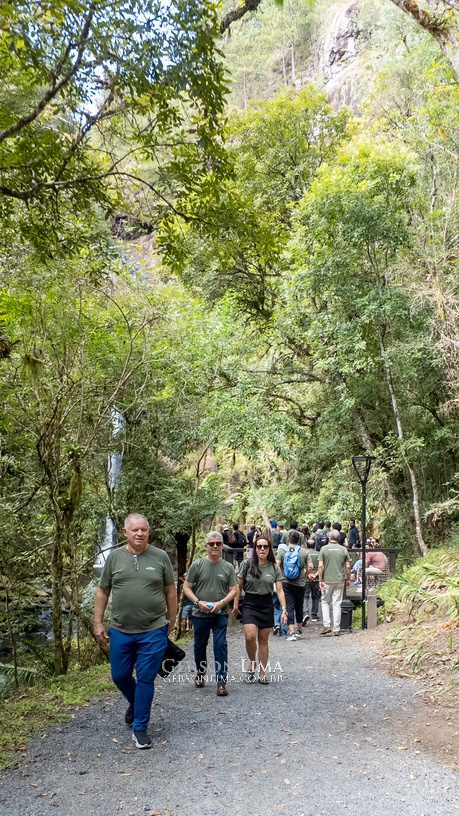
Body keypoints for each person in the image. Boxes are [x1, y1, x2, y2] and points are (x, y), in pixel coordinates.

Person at [93, 513, 177, 749]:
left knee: (146, 679)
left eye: (144, 530)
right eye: (135, 530)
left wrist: (172, 619)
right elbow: (103, 591)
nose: (140, 534)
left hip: (153, 630)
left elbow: (170, 589)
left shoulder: (160, 557)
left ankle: (140, 728)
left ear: (148, 531)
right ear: (125, 533)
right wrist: (97, 622)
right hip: (120, 629)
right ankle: (136, 702)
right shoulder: (114, 558)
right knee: (119, 676)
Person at [183, 531, 237, 696]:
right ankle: (200, 673)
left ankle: (221, 682)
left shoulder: (227, 567)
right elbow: (186, 587)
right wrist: (197, 602)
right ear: (206, 546)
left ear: (222, 546)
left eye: (218, 544)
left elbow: (234, 590)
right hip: (200, 614)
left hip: (220, 613)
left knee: (220, 646)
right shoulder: (197, 565)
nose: (215, 546)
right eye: (212, 543)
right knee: (199, 646)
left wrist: (221, 603)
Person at [233, 534, 287, 683]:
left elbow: (280, 590)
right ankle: (252, 662)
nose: (262, 549)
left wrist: (284, 609)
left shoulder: (274, 567)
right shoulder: (246, 565)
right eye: (259, 546)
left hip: (266, 603)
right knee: (250, 636)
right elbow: (238, 587)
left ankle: (262, 673)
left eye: (265, 546)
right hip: (250, 603)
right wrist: (235, 606)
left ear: (269, 549)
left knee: (263, 640)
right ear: (255, 549)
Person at [276, 530, 309, 641]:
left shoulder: (281, 551)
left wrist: (279, 576)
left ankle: (291, 632)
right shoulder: (303, 551)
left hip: (286, 582)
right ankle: (299, 629)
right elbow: (310, 566)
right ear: (299, 540)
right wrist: (305, 575)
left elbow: (277, 565)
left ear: (288, 539)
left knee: (289, 606)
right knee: (299, 606)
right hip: (300, 583)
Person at [318, 529, 351, 636]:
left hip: (327, 579)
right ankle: (336, 628)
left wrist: (320, 579)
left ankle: (327, 625)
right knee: (337, 603)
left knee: (325, 601)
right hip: (340, 579)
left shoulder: (324, 549)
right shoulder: (343, 549)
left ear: (329, 538)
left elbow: (320, 566)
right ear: (338, 538)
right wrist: (348, 579)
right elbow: (348, 566)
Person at [304, 538, 321, 622]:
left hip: (306, 579)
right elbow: (321, 566)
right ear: (315, 546)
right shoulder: (319, 554)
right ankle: (314, 615)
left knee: (305, 597)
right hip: (316, 579)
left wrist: (308, 575)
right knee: (315, 597)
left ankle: (305, 613)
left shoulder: (304, 553)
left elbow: (302, 566)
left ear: (307, 545)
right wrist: (315, 575)